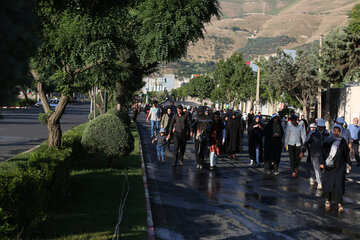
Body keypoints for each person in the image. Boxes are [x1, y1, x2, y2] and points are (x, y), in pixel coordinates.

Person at [321, 124, 352, 212]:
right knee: (328, 183)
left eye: (338, 131)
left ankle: (340, 203)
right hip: (329, 167)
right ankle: (327, 200)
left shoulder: (343, 142)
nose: (336, 133)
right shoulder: (328, 141)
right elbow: (322, 153)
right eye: (334, 131)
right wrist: (321, 163)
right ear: (332, 131)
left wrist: (349, 163)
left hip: (340, 167)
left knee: (339, 185)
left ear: (340, 132)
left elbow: (346, 154)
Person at [300, 119, 329, 189]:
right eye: (319, 126)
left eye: (322, 126)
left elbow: (330, 144)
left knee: (322, 168)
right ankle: (319, 182)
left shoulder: (327, 133)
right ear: (317, 126)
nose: (321, 128)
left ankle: (313, 177)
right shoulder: (312, 133)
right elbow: (306, 142)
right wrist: (302, 151)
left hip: (324, 155)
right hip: (314, 154)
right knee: (317, 168)